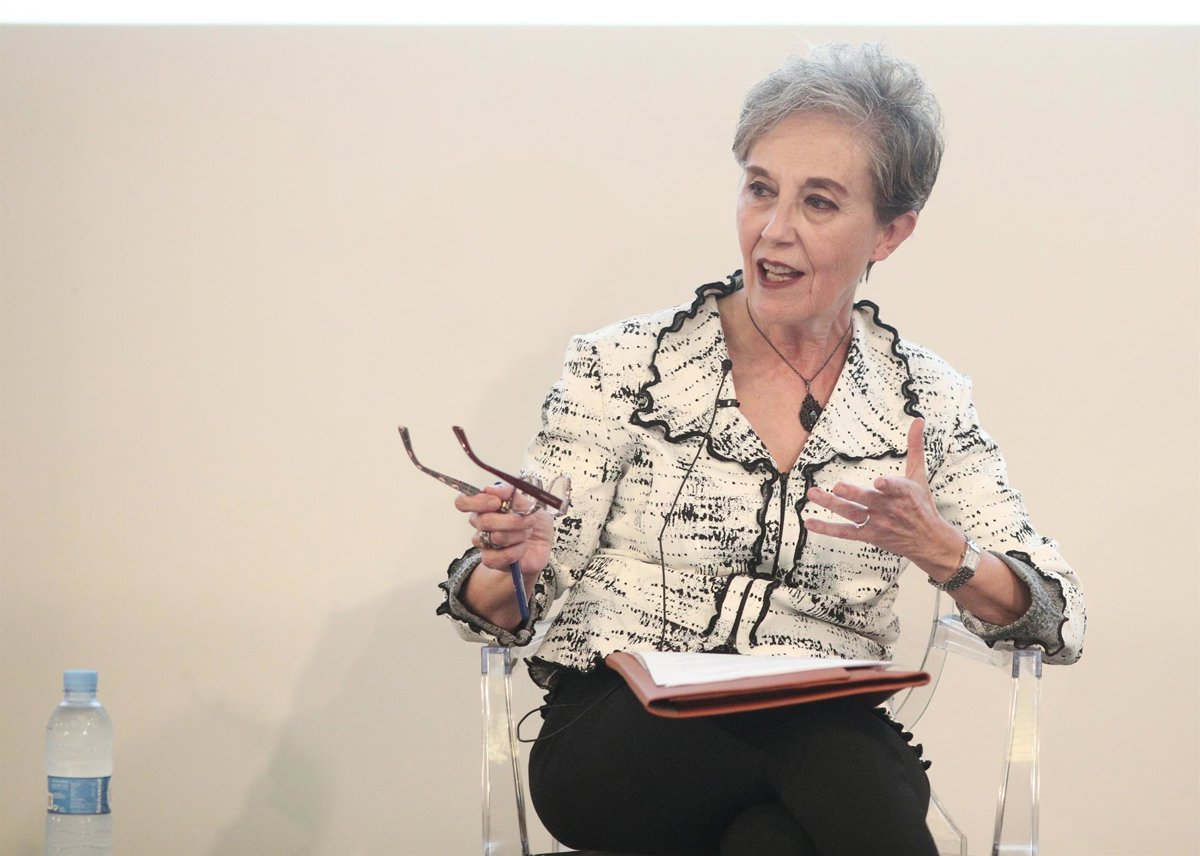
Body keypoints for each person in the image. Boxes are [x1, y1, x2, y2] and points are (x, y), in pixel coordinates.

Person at [437, 42, 1085, 856]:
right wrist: (513, 567)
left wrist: (944, 552)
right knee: (841, 754)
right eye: (760, 189)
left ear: (891, 233)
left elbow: (1058, 619)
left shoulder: (925, 400)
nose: (774, 231)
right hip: (622, 744)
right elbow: (494, 610)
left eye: (819, 202)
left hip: (813, 757)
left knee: (775, 839)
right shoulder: (625, 366)